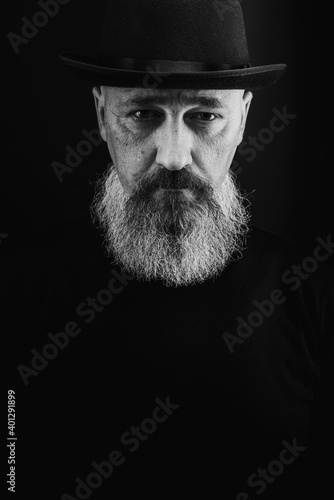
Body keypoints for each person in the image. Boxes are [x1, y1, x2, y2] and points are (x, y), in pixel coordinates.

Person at [2, 1, 333, 499]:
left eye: (204, 116)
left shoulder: (316, 290)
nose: (174, 155)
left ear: (242, 118)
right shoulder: (11, 280)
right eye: (141, 113)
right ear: (101, 114)